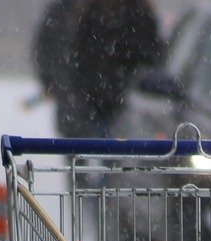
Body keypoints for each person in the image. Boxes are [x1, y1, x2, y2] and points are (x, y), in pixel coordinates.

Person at [70, 0, 164, 138]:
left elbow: (151, 56)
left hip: (128, 100)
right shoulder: (91, 13)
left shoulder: (139, 14)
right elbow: (79, 54)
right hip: (97, 101)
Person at [32, 0, 88, 137]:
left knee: (73, 142)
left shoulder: (58, 12)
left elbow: (41, 49)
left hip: (71, 88)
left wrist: (49, 81)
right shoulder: (60, 12)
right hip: (73, 88)